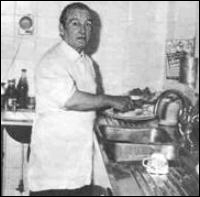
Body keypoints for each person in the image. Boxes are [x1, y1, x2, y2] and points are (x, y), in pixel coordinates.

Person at [28, 2, 134, 196]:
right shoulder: (53, 61)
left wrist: (118, 106)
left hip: (77, 163)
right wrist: (110, 99)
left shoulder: (86, 62)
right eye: (75, 23)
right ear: (62, 29)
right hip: (54, 168)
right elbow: (72, 100)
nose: (83, 29)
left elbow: (90, 102)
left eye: (88, 24)